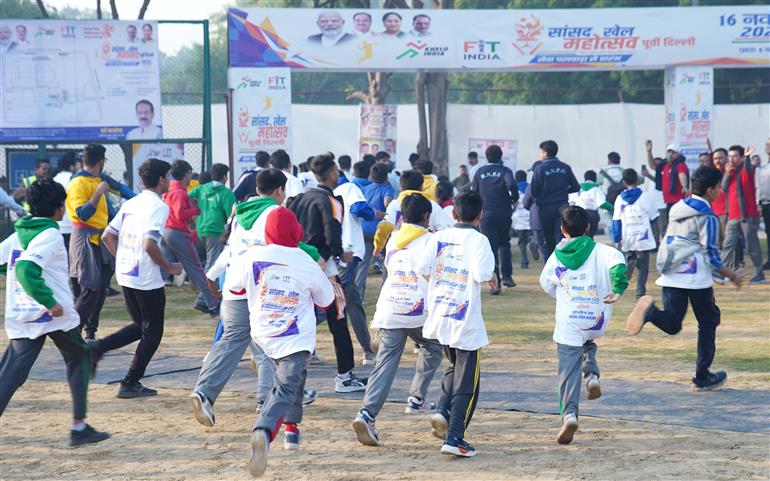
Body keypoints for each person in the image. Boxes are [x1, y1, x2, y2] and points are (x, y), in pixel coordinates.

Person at [191, 169, 323, 425]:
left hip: (235, 284)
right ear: (279, 190)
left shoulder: (239, 213)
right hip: (263, 287)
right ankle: (267, 400)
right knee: (275, 343)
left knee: (233, 340)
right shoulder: (276, 213)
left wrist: (213, 277)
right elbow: (290, 245)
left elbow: (233, 249)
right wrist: (317, 257)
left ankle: (204, 392)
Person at [0, 178, 110, 446]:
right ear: (60, 209)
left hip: (23, 312)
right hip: (53, 314)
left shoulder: (18, 233)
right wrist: (49, 301)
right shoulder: (49, 235)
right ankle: (79, 427)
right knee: (80, 357)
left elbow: (7, 264)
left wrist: (13, 276)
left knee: (12, 372)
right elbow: (27, 269)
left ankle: (80, 427)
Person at [227, 206, 332, 477]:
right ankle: (263, 429)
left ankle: (292, 431)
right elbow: (326, 300)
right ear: (295, 229)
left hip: (262, 334)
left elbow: (235, 288)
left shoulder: (250, 256)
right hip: (294, 338)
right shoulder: (305, 261)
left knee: (292, 381)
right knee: (286, 387)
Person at [626, 167, 744, 391]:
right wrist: (731, 275)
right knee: (708, 322)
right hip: (696, 277)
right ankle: (702, 376)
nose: (720, 190)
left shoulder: (678, 208)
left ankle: (650, 312)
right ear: (710, 190)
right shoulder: (707, 217)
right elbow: (711, 254)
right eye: (719, 186)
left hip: (671, 274)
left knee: (672, 323)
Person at [352, 194, 444, 446]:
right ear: (427, 217)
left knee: (385, 363)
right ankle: (417, 398)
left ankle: (367, 414)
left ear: (402, 217)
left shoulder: (394, 239)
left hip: (391, 308)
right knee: (435, 347)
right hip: (418, 311)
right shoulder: (432, 241)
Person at [88, 159, 181, 398]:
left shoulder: (133, 202)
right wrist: (169, 266)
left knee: (141, 326)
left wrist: (125, 258)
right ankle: (129, 382)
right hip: (145, 278)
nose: (169, 182)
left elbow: (108, 236)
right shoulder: (159, 206)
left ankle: (97, 347)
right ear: (161, 180)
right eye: (168, 177)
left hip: (126, 273)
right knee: (153, 331)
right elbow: (150, 244)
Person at [540, 205, 627, 445]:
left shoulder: (556, 256)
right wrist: (618, 289)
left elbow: (546, 285)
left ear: (562, 230)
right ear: (588, 227)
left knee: (567, 369)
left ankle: (569, 414)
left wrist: (563, 293)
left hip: (570, 320)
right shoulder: (602, 251)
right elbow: (618, 263)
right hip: (597, 318)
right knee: (588, 340)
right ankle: (592, 375)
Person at [418, 190, 495, 458]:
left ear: (453, 213)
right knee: (468, 383)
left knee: (453, 367)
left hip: (441, 313)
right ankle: (455, 436)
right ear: (480, 215)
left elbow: (424, 270)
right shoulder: (479, 240)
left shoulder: (438, 237)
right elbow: (483, 274)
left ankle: (442, 409)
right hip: (465, 320)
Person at [287, 153, 367, 392]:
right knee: (338, 317)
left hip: (297, 263)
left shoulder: (296, 199)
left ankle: (289, 377)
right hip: (323, 267)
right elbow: (332, 235)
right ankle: (344, 375)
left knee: (298, 317)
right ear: (333, 174)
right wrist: (341, 253)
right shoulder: (332, 201)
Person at [66, 144, 114, 340]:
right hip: (84, 238)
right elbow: (82, 214)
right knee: (89, 289)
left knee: (100, 289)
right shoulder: (78, 183)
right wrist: (98, 193)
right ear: (101, 162)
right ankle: (72, 334)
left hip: (100, 239)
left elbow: (109, 212)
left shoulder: (96, 181)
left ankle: (90, 332)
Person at [161, 160, 219, 316]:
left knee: (174, 269)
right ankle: (211, 304)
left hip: (167, 232)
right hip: (177, 233)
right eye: (189, 173)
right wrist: (195, 211)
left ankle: (207, 300)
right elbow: (180, 214)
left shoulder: (170, 190)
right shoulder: (180, 192)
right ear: (186, 173)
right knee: (197, 269)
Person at [334, 167, 378, 365]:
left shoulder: (327, 193)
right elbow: (359, 209)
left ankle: (368, 349)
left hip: (335, 252)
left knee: (352, 301)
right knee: (339, 300)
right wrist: (374, 213)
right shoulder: (350, 188)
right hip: (348, 251)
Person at [189, 163, 236, 310]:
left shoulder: (202, 188)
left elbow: (187, 197)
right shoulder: (226, 193)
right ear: (224, 177)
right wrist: (226, 233)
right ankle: (203, 299)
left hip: (201, 228)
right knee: (212, 266)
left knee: (204, 263)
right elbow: (231, 215)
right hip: (215, 232)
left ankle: (205, 296)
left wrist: (194, 213)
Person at [472, 144, 518, 292]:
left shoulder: (480, 172)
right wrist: (514, 198)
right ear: (500, 156)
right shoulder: (505, 171)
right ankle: (507, 277)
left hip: (485, 215)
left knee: (490, 248)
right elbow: (511, 184)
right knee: (504, 244)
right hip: (504, 213)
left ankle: (495, 282)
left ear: (486, 157)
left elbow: (474, 193)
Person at [373, 170, 454, 255]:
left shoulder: (394, 204)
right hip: (424, 250)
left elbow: (385, 226)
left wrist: (378, 246)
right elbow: (446, 227)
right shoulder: (431, 204)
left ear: (401, 188)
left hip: (399, 250)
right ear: (421, 187)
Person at [720, 145, 765, 284]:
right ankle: (722, 273)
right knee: (727, 245)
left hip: (748, 216)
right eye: (730, 156)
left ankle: (759, 274)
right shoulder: (729, 172)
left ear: (740, 157)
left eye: (735, 156)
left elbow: (748, 169)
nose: (732, 159)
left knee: (752, 246)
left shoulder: (748, 169)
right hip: (733, 216)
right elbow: (724, 188)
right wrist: (727, 173)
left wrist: (747, 157)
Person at [529, 140, 580, 260]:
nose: (540, 155)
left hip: (545, 208)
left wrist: (543, 196)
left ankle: (552, 266)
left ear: (545, 153)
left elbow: (533, 192)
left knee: (548, 239)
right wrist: (562, 191)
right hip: (562, 206)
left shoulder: (540, 169)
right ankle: (562, 262)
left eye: (541, 152)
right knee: (561, 237)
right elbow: (576, 187)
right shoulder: (565, 167)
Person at [612, 169, 658, 299]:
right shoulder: (645, 196)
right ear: (637, 181)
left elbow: (616, 220)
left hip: (628, 236)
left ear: (624, 182)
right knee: (643, 267)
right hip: (643, 236)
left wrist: (617, 238)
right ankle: (640, 292)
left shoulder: (620, 198)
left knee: (629, 256)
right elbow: (654, 217)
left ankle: (630, 262)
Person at [359, 163, 395, 296]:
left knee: (362, 266)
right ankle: (385, 293)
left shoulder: (365, 189)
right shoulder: (387, 188)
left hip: (363, 230)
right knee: (387, 262)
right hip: (380, 232)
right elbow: (387, 203)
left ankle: (359, 296)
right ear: (386, 176)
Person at [646, 140, 688, 236]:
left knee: (677, 224)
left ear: (678, 154)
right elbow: (653, 165)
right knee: (671, 223)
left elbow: (682, 175)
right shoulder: (665, 164)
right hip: (668, 201)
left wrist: (684, 186)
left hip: (677, 200)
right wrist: (649, 151)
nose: (670, 154)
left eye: (673, 152)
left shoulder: (680, 165)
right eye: (669, 152)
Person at [570, 170, 612, 239]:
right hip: (592, 215)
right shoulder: (597, 188)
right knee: (590, 236)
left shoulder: (577, 188)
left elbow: (570, 202)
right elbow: (602, 204)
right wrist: (613, 208)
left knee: (580, 237)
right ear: (595, 179)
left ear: (585, 178)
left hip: (579, 214)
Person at [512, 170, 539, 269]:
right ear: (526, 177)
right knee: (531, 235)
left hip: (518, 219)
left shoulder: (513, 188)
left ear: (516, 178)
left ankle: (524, 262)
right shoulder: (531, 187)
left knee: (521, 241)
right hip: (530, 216)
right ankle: (533, 241)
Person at [53, 151, 80, 251]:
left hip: (57, 225)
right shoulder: (75, 180)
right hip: (73, 226)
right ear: (71, 166)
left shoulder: (54, 180)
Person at [754, 140, 770, 270]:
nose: (767, 146)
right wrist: (759, 203)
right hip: (765, 204)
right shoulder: (764, 166)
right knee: (768, 232)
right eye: (766, 144)